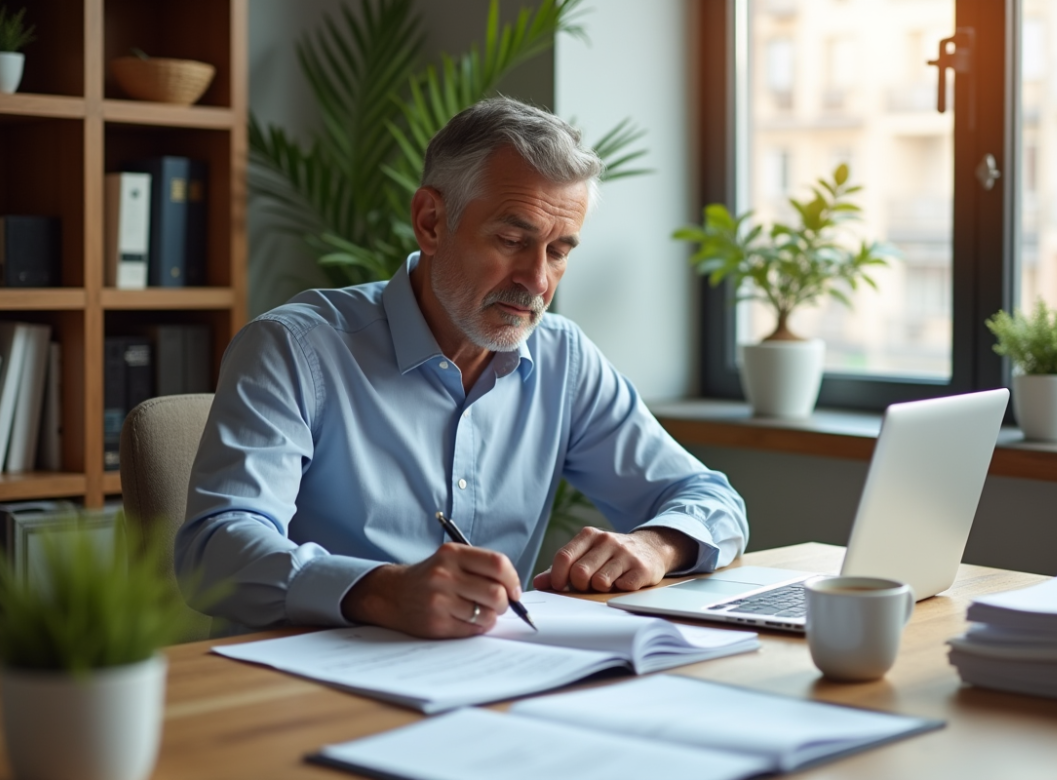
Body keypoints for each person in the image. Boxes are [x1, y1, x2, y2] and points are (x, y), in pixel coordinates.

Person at [175, 96, 748, 639]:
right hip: (292, 687)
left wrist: (657, 545)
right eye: (511, 239)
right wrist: (381, 591)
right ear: (430, 221)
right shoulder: (294, 349)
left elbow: (710, 498)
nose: (537, 281)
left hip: (486, 680)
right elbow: (214, 551)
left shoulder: (563, 359)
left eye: (559, 251)